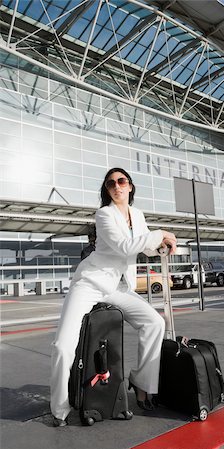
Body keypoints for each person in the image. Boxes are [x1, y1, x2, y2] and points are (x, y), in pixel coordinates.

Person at [50, 167, 177, 426]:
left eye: (121, 181)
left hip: (118, 287)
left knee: (155, 323)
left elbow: (143, 244)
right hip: (90, 283)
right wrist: (161, 233)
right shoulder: (104, 214)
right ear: (107, 190)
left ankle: (142, 382)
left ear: (130, 186)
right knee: (64, 345)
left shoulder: (137, 215)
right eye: (111, 184)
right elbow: (124, 246)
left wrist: (162, 244)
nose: (117, 186)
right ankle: (59, 408)